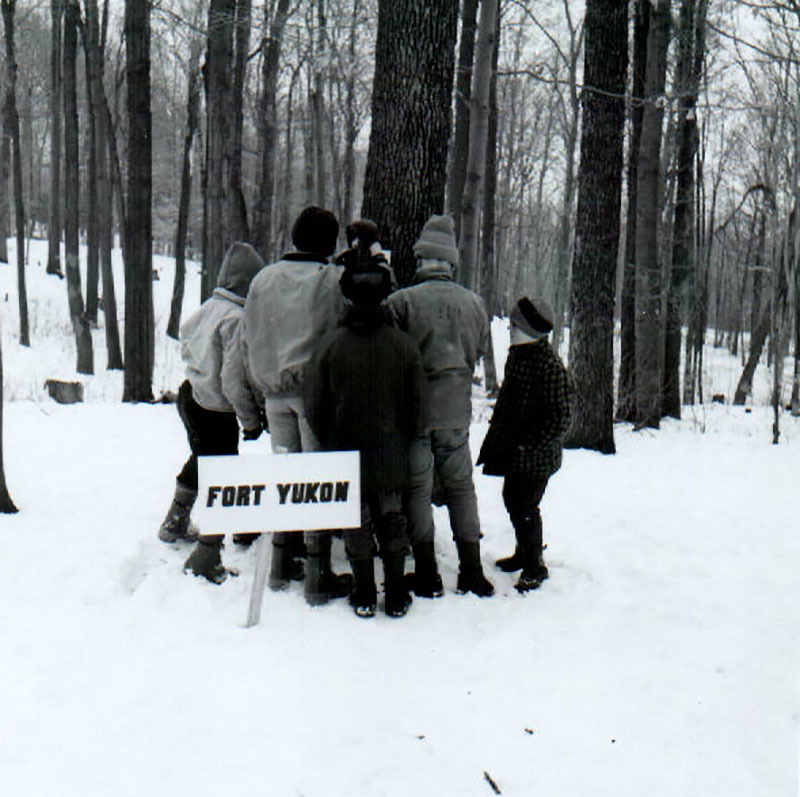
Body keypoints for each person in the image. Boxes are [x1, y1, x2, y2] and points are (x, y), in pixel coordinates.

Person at [304, 244, 424, 617]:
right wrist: (402, 433)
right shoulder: (404, 346)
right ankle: (397, 592)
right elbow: (417, 405)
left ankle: (364, 592)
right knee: (392, 517)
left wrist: (330, 436)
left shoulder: (329, 346)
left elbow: (313, 404)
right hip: (391, 448)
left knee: (355, 520)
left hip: (344, 448)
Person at [240, 206, 351, 604]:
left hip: (272, 394)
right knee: (315, 481)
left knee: (286, 477)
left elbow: (246, 335)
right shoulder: (331, 280)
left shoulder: (263, 279)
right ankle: (318, 574)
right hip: (314, 395)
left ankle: (280, 564)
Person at [386, 214, 494, 598]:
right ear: (451, 263)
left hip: (415, 414)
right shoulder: (475, 304)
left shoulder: (401, 302)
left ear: (421, 260)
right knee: (462, 488)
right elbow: (477, 353)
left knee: (417, 490)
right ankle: (472, 571)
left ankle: (428, 572)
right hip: (456, 411)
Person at [157, 242, 266, 584]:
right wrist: (249, 419)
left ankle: (175, 520)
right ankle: (213, 548)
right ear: (248, 283)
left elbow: (186, 340)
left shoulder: (208, 308)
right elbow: (233, 379)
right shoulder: (235, 318)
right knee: (225, 475)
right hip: (216, 407)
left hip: (190, 395)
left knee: (202, 459)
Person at [476, 296, 572, 592]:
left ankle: (535, 565)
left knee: (525, 505)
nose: (510, 329)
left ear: (531, 330)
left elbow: (560, 418)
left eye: (515, 325)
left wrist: (528, 444)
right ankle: (524, 552)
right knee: (512, 499)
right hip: (517, 451)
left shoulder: (549, 366)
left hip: (537, 456)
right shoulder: (518, 355)